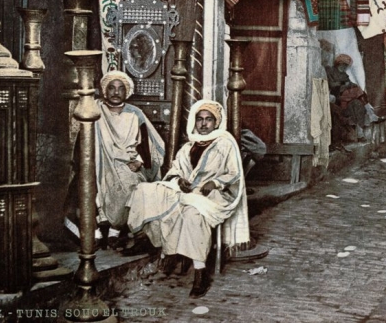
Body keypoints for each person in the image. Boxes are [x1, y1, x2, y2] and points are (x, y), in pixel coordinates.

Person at [127, 100, 250, 298]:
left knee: (191, 214)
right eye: (199, 119)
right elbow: (175, 169)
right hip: (188, 193)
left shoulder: (225, 143)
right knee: (147, 192)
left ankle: (200, 273)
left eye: (208, 119)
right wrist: (178, 180)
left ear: (216, 122)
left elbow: (234, 174)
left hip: (215, 197)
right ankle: (165, 250)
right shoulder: (189, 147)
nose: (203, 124)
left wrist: (216, 183)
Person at [63, 70, 165, 248]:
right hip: (99, 162)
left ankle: (115, 230)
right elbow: (83, 142)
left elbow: (148, 144)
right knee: (88, 183)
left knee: (132, 184)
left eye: (120, 88)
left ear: (127, 91)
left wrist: (139, 161)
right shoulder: (95, 110)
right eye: (112, 88)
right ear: (104, 90)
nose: (116, 92)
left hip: (128, 164)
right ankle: (93, 232)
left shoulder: (135, 113)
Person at [325, 54, 375, 144]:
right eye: (343, 65)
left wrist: (352, 86)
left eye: (346, 65)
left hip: (346, 99)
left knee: (357, 103)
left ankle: (360, 131)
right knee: (356, 100)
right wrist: (343, 84)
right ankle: (368, 115)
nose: (345, 67)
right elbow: (331, 85)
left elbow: (351, 84)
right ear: (339, 63)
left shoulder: (344, 74)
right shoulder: (330, 71)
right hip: (336, 99)